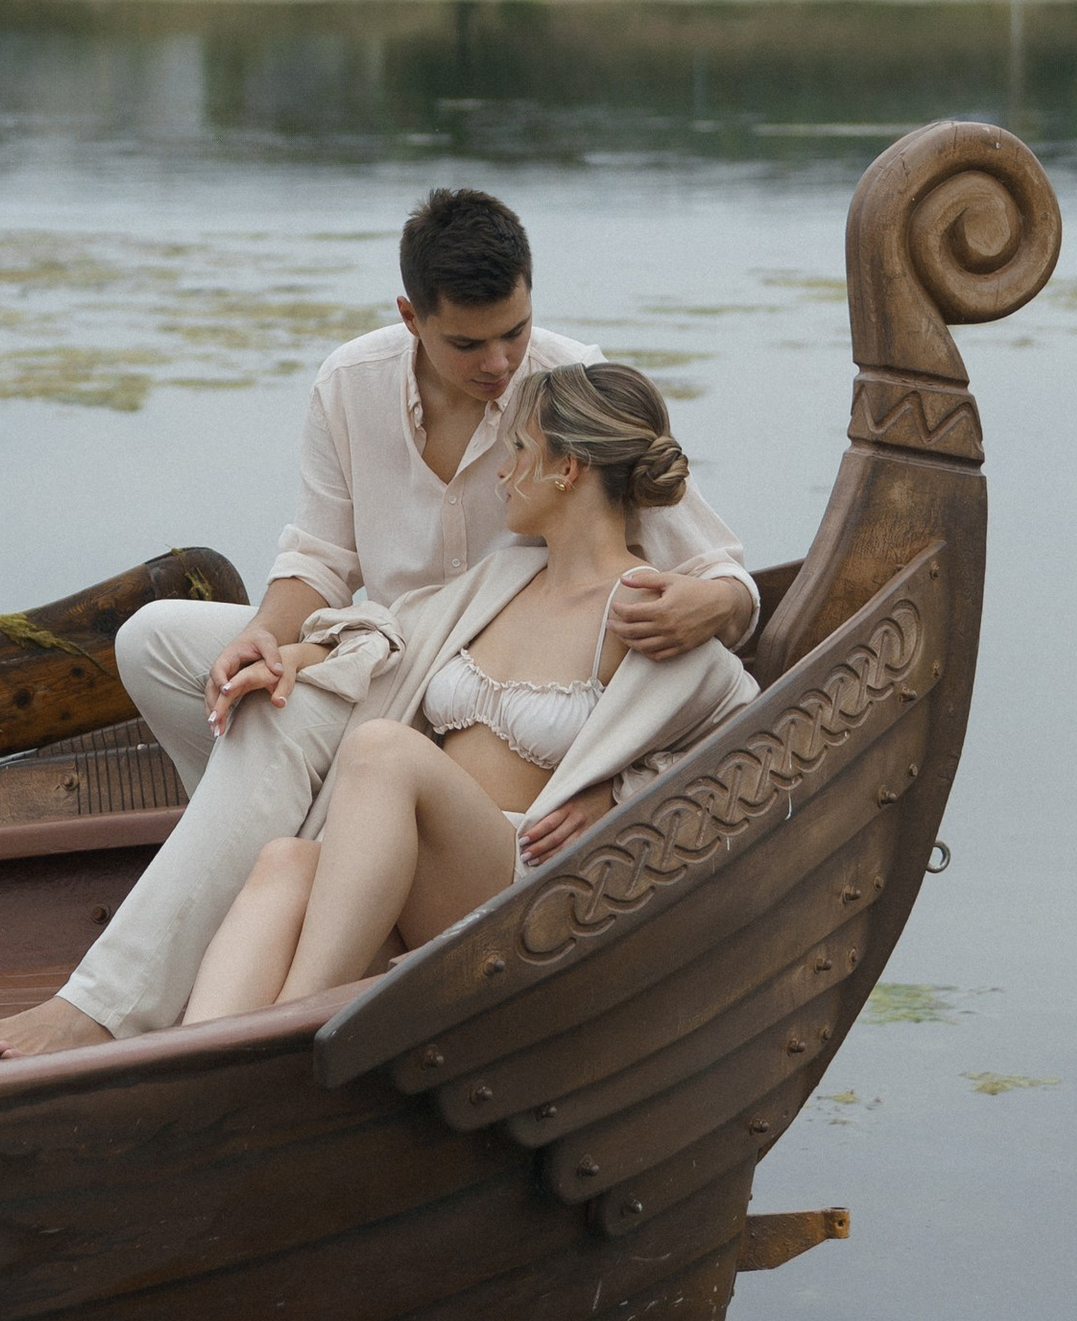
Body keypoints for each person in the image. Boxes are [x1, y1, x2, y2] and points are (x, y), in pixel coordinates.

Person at [0, 185, 759, 1057]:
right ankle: (192, 1035)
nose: (499, 362)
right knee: (159, 645)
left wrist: (718, 604)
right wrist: (275, 637)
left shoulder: (569, 400)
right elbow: (320, 556)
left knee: (283, 725)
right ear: (411, 316)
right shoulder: (353, 384)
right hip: (399, 661)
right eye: (469, 342)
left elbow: (715, 585)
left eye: (515, 332)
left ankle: (126, 1009)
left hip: (457, 778)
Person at [184, 360, 754, 1020]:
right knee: (286, 861)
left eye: (518, 450)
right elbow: (396, 638)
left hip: (529, 892)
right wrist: (294, 656)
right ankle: (190, 1067)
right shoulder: (503, 580)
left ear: (566, 469)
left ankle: (290, 1026)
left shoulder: (643, 610)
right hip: (427, 870)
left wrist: (618, 794)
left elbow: (738, 733)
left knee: (384, 750)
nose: (504, 471)